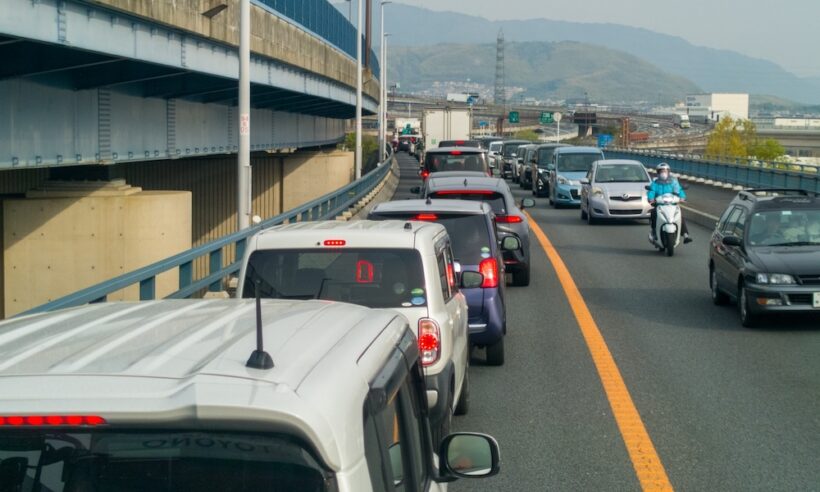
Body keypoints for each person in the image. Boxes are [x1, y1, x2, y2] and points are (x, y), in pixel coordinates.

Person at [647, 163, 692, 243]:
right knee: (653, 213)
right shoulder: (655, 183)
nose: (663, 172)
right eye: (661, 171)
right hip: (659, 205)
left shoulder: (673, 182)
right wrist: (651, 199)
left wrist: (682, 198)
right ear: (658, 172)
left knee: (680, 216)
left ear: (668, 172)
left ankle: (685, 235)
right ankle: (654, 232)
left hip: (672, 205)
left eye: (665, 170)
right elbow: (651, 191)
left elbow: (679, 190)